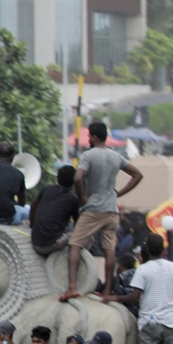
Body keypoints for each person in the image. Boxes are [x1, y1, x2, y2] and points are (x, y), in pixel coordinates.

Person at [65, 121, 142, 298]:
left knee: (75, 244)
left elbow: (77, 178)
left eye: (89, 136)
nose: (88, 139)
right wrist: (119, 193)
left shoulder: (88, 155)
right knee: (109, 250)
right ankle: (107, 291)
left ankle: (72, 287)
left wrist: (82, 198)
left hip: (93, 208)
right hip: (111, 210)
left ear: (94, 137)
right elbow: (137, 175)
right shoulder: (116, 156)